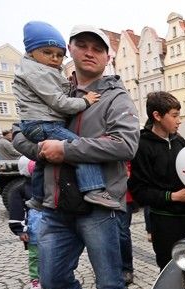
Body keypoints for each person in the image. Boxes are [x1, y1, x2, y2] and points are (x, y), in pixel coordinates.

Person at [13, 25, 140, 289]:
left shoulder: (115, 97)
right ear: (70, 49)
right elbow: (20, 132)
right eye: (81, 45)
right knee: (53, 278)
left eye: (97, 48)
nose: (89, 52)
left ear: (107, 56)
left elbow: (126, 144)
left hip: (98, 205)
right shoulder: (52, 86)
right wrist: (42, 149)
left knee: (110, 285)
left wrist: (67, 149)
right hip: (55, 204)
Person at [14, 21, 119, 210]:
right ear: (31, 52)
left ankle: (37, 197)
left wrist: (42, 151)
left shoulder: (40, 72)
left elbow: (125, 145)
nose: (54, 59)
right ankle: (94, 189)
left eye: (59, 55)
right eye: (47, 52)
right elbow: (59, 102)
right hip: (45, 124)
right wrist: (85, 101)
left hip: (38, 124)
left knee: (42, 160)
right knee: (78, 148)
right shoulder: (39, 74)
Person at [128, 91, 185, 270]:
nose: (179, 121)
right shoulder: (142, 146)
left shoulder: (179, 141)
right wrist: (174, 196)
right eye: (174, 116)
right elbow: (139, 191)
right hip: (165, 222)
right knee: (170, 269)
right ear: (157, 116)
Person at [8, 157, 44, 289]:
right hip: (33, 229)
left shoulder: (49, 184)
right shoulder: (20, 189)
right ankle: (35, 279)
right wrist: (20, 229)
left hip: (52, 226)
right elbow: (16, 210)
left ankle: (54, 277)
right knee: (35, 256)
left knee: (55, 253)